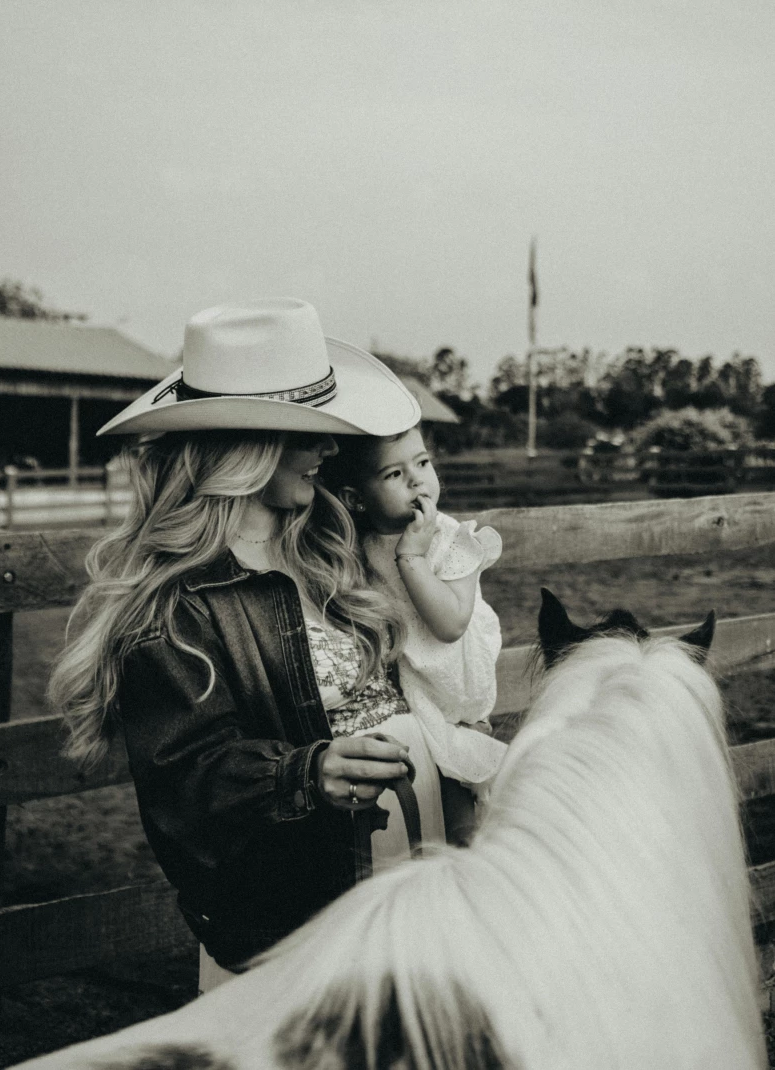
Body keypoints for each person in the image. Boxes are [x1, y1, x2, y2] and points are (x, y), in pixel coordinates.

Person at [47, 298, 445, 992]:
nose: (330, 449)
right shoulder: (172, 607)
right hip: (293, 933)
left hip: (408, 885)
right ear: (248, 445)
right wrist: (305, 773)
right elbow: (186, 786)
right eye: (309, 434)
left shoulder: (329, 552)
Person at [321, 425, 506, 832]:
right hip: (413, 690)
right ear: (356, 499)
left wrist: (412, 557)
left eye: (422, 463)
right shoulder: (357, 550)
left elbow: (451, 624)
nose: (417, 479)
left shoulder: (453, 539)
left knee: (465, 811)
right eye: (394, 474)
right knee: (436, 799)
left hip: (459, 680)